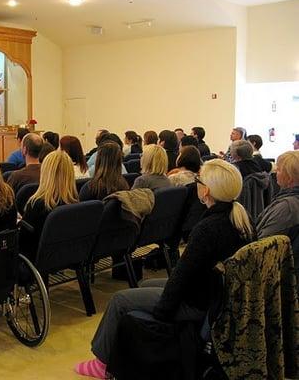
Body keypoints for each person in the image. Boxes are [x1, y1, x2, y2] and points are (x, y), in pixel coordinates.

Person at [76, 159, 255, 379]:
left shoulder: (208, 228)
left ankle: (101, 363)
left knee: (119, 300)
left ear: (206, 190)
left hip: (198, 300)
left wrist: (162, 313)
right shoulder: (241, 219)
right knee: (145, 285)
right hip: (212, 292)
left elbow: (181, 276)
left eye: (198, 180)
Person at [20, 150, 78, 259]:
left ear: (46, 172)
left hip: (37, 258)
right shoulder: (75, 203)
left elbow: (23, 240)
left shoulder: (37, 204)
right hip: (66, 256)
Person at [256, 151, 299, 239]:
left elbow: (262, 243)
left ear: (289, 178)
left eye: (279, 169)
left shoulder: (287, 207)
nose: (275, 171)